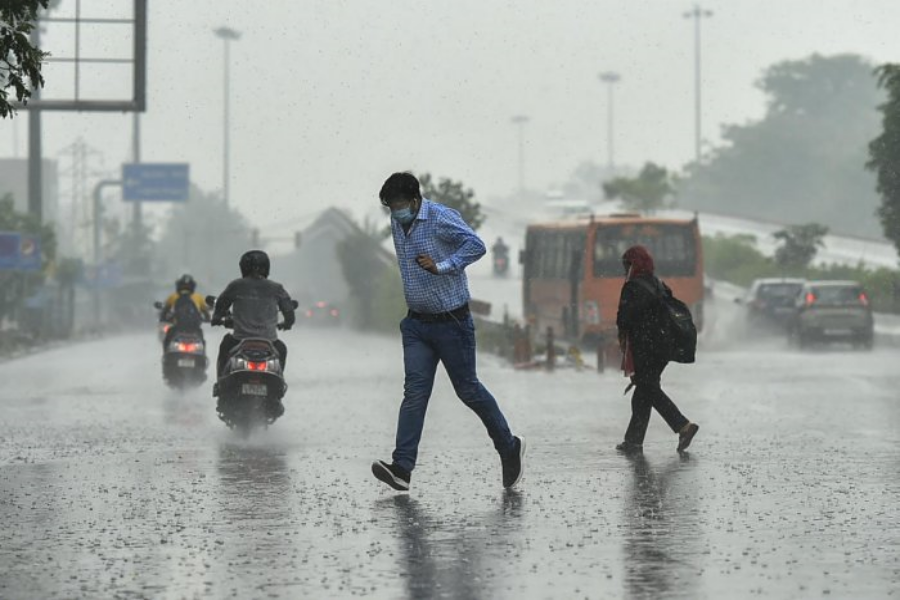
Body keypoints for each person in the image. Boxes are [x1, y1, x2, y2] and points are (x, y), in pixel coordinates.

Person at [371, 172, 525, 492]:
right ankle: (402, 468)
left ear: (415, 201)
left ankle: (509, 447)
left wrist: (442, 265)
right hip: (416, 325)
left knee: (468, 390)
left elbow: (476, 245)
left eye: (399, 206)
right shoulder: (398, 223)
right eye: (390, 208)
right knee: (414, 393)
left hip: (452, 323)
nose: (395, 213)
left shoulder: (440, 218)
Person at [615, 245, 699, 454]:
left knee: (648, 389)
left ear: (632, 265)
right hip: (663, 347)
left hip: (645, 348)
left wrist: (623, 337)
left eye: (626, 264)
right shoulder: (658, 284)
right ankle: (633, 442)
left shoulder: (633, 287)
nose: (624, 269)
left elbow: (624, 318)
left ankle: (683, 425)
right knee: (644, 391)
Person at [211, 250, 295, 384]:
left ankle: (220, 384)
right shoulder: (276, 288)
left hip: (239, 340)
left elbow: (221, 304)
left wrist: (216, 318)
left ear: (243, 267)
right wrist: (288, 323)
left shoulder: (236, 286)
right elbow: (289, 310)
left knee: (225, 346)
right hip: (270, 341)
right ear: (266, 267)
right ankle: (278, 385)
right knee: (282, 349)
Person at [159, 274, 209, 347]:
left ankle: (166, 357)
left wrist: (163, 318)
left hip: (178, 326)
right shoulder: (198, 297)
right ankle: (203, 356)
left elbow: (165, 311)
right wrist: (207, 319)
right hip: (194, 327)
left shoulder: (173, 296)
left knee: (168, 338)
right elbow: (205, 312)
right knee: (201, 339)